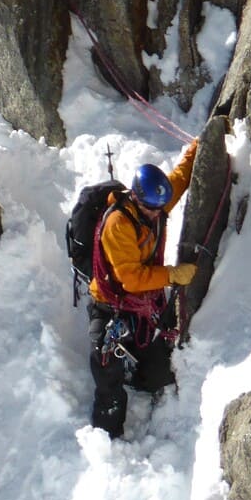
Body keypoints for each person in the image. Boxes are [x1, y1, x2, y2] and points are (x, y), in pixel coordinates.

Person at [87, 142, 200, 438]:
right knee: (104, 361)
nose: (156, 214)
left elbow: (180, 176)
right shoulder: (118, 224)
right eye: (150, 208)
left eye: (159, 208)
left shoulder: (155, 204)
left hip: (143, 306)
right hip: (111, 303)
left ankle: (138, 376)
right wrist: (172, 275)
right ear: (136, 199)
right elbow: (130, 279)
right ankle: (107, 431)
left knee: (158, 376)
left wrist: (199, 146)